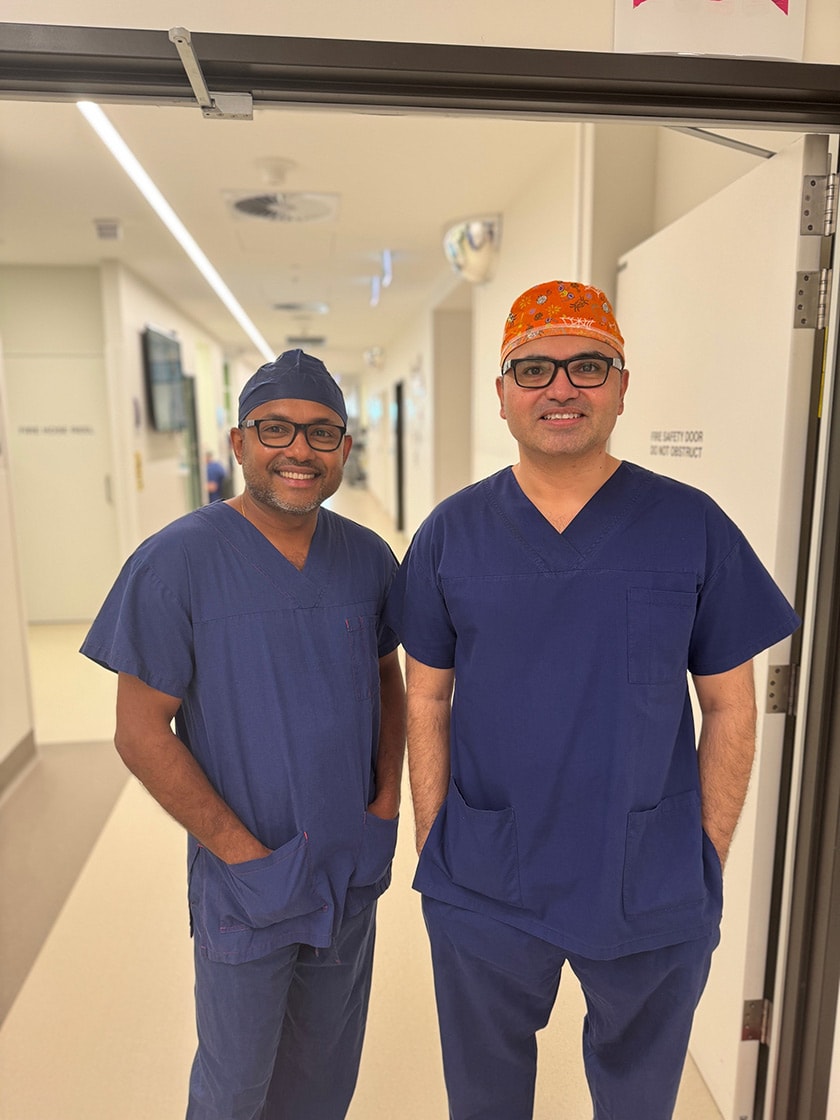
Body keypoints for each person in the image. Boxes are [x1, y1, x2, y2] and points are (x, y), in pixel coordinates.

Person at [386, 281, 800, 1120]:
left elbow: (729, 706)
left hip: (649, 877)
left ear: (620, 385)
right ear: (502, 395)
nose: (561, 387)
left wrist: (705, 852)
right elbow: (424, 698)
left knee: (641, 1098)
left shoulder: (692, 526)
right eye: (533, 369)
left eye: (587, 365)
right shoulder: (451, 534)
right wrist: (436, 841)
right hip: (484, 875)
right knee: (485, 1098)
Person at [81, 349, 406, 1120]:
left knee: (327, 1074)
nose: (299, 449)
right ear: (238, 443)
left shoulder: (367, 558)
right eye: (276, 429)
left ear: (345, 451)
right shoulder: (175, 563)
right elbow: (139, 732)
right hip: (246, 878)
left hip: (346, 862)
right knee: (235, 1087)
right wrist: (239, 853)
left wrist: (386, 807)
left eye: (322, 433)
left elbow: (388, 678)